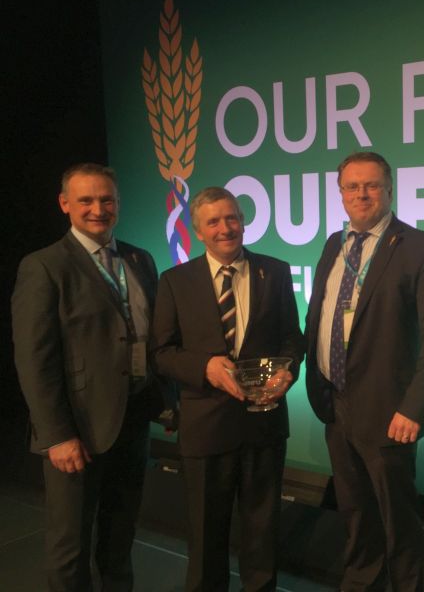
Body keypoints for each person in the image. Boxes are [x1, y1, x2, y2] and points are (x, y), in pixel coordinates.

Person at [305, 151, 424, 591]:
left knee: (398, 520)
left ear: (389, 189)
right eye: (351, 186)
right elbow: (321, 316)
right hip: (336, 403)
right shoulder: (334, 244)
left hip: (390, 412)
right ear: (340, 193)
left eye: (370, 185)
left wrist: (414, 408)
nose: (361, 194)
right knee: (354, 512)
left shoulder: (421, 248)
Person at [11, 163, 167, 591]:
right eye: (86, 200)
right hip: (75, 431)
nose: (98, 208)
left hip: (132, 421)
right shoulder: (43, 266)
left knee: (120, 539)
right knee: (70, 547)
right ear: (65, 204)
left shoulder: (139, 258)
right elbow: (33, 359)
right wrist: (56, 435)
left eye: (107, 199)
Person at [151, 186, 304, 592]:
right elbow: (161, 353)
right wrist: (204, 366)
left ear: (243, 220)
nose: (225, 228)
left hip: (264, 424)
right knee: (205, 539)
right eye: (214, 221)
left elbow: (293, 339)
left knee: (262, 535)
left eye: (232, 217)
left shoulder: (275, 271)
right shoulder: (174, 281)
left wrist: (288, 372)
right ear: (198, 231)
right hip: (205, 427)